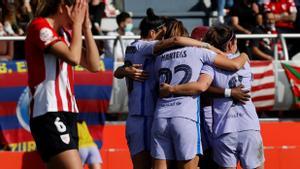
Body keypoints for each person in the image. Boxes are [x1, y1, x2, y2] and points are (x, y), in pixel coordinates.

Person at [114, 9, 223, 169]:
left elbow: (117, 72)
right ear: (152, 32)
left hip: (144, 116)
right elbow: (176, 40)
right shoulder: (147, 47)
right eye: (161, 34)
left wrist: (123, 70)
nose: (164, 39)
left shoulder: (133, 47)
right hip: (148, 116)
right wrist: (205, 46)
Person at [160, 24, 264, 169]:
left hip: (222, 129)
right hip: (249, 127)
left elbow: (203, 87)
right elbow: (234, 66)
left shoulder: (209, 64)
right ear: (231, 43)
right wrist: (245, 55)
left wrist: (172, 89)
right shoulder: (243, 61)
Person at [25, 0, 100, 169]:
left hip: (69, 112)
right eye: (78, 8)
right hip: (48, 110)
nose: (80, 13)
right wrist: (78, 25)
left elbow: (94, 66)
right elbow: (73, 58)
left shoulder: (66, 34)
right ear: (62, 7)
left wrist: (86, 29)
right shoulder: (39, 26)